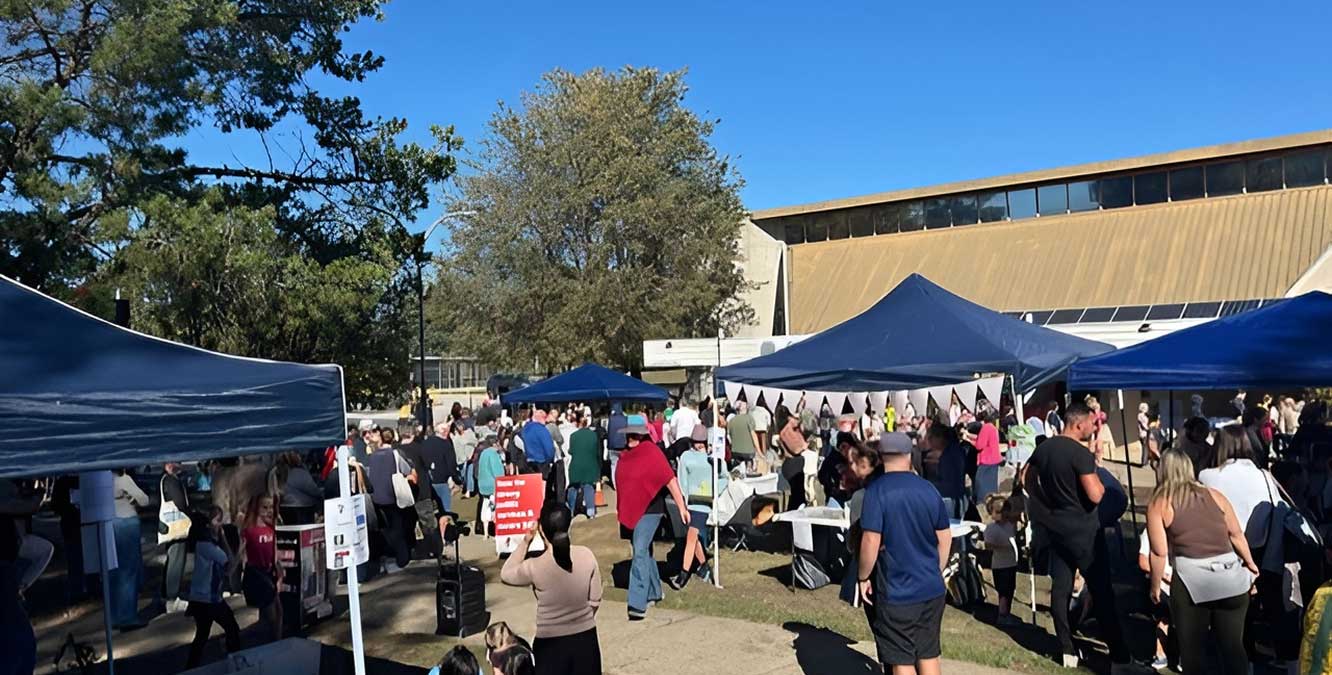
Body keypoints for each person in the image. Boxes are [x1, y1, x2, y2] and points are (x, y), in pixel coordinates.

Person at [1023, 402, 1128, 668]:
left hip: (1056, 527)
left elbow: (1026, 477)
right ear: (1078, 424)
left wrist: (1041, 501)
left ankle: (1066, 648)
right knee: (1101, 591)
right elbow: (1095, 494)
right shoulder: (1080, 454)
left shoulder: (1044, 447)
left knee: (1061, 587)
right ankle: (1119, 655)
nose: (1094, 427)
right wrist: (1102, 488)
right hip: (1085, 532)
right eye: (1091, 422)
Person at [1147, 450, 1258, 675]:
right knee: (1233, 649)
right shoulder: (1215, 495)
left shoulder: (1160, 503)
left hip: (1192, 580)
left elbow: (1159, 552)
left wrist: (1155, 586)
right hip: (1231, 577)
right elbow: (1236, 534)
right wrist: (1250, 564)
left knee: (1193, 653)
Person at [1199, 425, 1302, 667]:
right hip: (1264, 550)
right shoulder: (1263, 475)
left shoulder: (1207, 476)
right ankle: (1290, 662)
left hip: (1226, 552)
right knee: (1275, 609)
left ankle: (1246, 663)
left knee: (1236, 614)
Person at [855, 432, 951, 675]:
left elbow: (870, 540)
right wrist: (936, 570)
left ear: (880, 457)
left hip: (897, 591)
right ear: (909, 456)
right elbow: (945, 537)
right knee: (928, 654)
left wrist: (863, 576)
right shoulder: (929, 489)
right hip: (931, 588)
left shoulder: (877, 491)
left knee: (901, 659)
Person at [500, 503, 602, 675]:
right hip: (586, 640)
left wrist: (526, 541)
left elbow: (506, 573)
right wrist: (579, 621)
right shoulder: (586, 555)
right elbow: (595, 600)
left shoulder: (534, 566)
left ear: (541, 529)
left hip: (550, 645)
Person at [615, 415, 689, 620]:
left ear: (643, 435)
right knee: (644, 552)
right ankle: (655, 591)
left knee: (639, 550)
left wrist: (682, 507)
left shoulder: (653, 453)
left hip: (651, 511)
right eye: (629, 434)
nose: (631, 438)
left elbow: (670, 480)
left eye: (635, 434)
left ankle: (637, 604)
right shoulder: (625, 456)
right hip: (632, 510)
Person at [671, 424, 727, 590]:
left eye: (702, 441)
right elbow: (682, 479)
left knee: (691, 536)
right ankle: (703, 567)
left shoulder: (714, 458)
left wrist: (715, 491)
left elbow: (724, 477)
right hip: (690, 502)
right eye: (696, 441)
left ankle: (683, 574)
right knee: (693, 538)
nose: (699, 444)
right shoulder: (686, 456)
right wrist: (683, 501)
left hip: (705, 502)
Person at [184, 507, 241, 669]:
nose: (220, 525)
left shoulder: (202, 545)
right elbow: (230, 566)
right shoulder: (208, 547)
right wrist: (237, 548)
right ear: (208, 526)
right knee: (232, 629)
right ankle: (235, 662)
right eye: (217, 520)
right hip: (209, 599)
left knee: (202, 635)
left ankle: (191, 667)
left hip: (201, 599)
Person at [366, 433, 414, 570]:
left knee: (385, 529)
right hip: (393, 495)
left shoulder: (372, 457)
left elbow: (369, 475)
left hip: (377, 497)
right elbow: (407, 470)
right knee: (398, 528)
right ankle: (402, 559)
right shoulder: (395, 454)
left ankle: (388, 556)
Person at [239, 494, 283, 642]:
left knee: (277, 614)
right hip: (257, 576)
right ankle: (272, 644)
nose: (269, 511)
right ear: (256, 508)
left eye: (271, 507)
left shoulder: (271, 528)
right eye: (264, 507)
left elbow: (275, 553)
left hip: (270, 574)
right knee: (271, 618)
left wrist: (279, 572)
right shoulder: (249, 530)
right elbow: (241, 553)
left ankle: (276, 643)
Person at [110, 469, 150, 629]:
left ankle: (114, 616)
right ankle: (127, 616)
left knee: (113, 570)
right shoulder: (124, 479)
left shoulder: (101, 478)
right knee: (128, 571)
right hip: (126, 521)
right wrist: (131, 498)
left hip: (109, 522)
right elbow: (144, 500)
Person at [1138, 527, 1177, 671]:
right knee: (1163, 617)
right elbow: (1143, 562)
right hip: (1161, 586)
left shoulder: (1184, 526)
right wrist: (1164, 576)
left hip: (1183, 582)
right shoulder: (1150, 531)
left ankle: (1185, 657)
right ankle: (1160, 654)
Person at [158, 461, 192, 613]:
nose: (180, 464)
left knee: (172, 559)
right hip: (177, 527)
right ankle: (172, 598)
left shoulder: (165, 480)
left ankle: (167, 595)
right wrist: (190, 514)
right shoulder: (171, 480)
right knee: (176, 561)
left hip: (171, 527)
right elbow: (180, 502)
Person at [983, 494, 1020, 626]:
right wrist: (1003, 547)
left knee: (1010, 589)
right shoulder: (991, 529)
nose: (1003, 515)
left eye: (1005, 512)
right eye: (999, 512)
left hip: (1011, 563)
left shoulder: (1010, 525)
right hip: (1000, 565)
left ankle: (1007, 613)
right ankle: (1002, 615)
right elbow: (988, 546)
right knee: (1003, 591)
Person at [922, 423, 967, 519]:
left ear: (939, 438)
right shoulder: (952, 451)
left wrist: (928, 486)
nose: (929, 442)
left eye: (930, 438)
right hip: (953, 496)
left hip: (950, 498)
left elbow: (950, 482)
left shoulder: (951, 455)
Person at [420, 422, 459, 513]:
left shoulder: (424, 443)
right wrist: (456, 479)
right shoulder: (446, 444)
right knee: (445, 509)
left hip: (428, 479)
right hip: (442, 479)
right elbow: (451, 464)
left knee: (433, 509)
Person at [566, 415, 600, 519]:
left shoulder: (573, 436)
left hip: (576, 464)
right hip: (590, 464)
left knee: (573, 488)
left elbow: (571, 451)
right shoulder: (594, 435)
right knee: (589, 487)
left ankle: (571, 511)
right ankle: (591, 511)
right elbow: (597, 452)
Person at [277, 452, 323, 525]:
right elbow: (313, 490)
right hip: (302, 511)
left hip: (284, 509)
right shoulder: (299, 473)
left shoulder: (279, 472)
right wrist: (322, 493)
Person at [475, 436, 505, 538]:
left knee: (485, 506)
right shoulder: (493, 454)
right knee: (493, 508)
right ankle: (496, 532)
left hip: (482, 485)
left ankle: (485, 533)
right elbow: (498, 471)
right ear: (495, 444)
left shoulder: (483, 453)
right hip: (493, 485)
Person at [973, 410, 1002, 506]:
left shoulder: (985, 427)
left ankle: (981, 502)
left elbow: (979, 445)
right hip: (994, 459)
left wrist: (969, 440)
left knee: (981, 483)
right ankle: (993, 502)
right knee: (992, 483)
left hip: (986, 460)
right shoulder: (993, 428)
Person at [523, 410, 557, 490]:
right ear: (542, 418)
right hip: (541, 462)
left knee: (531, 489)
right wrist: (549, 460)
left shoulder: (525, 429)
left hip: (528, 462)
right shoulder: (542, 430)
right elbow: (549, 449)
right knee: (541, 489)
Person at [727, 400, 761, 471]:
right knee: (750, 471)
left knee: (738, 472)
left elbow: (729, 437)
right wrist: (759, 451)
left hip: (735, 452)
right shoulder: (749, 418)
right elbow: (753, 435)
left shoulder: (731, 421)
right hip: (748, 453)